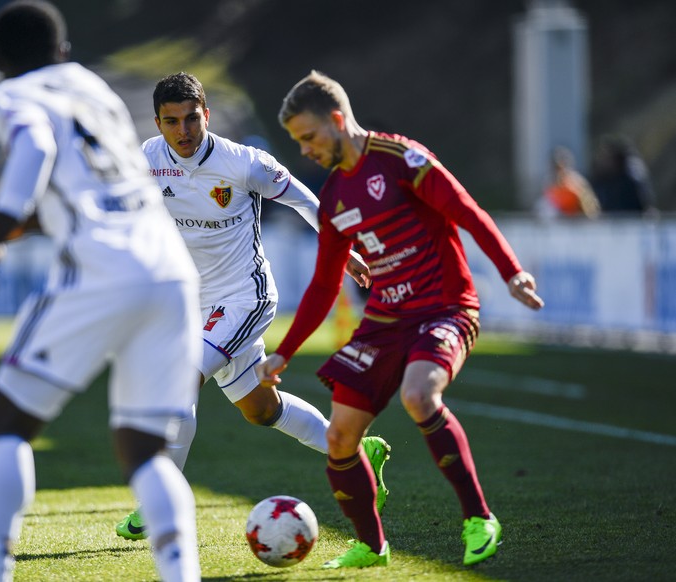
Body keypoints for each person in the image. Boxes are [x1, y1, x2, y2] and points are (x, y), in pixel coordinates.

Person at [257, 70, 545, 569]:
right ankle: (372, 545)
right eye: (297, 141)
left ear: (338, 120)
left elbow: (467, 212)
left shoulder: (401, 159)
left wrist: (512, 272)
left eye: (309, 136)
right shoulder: (334, 199)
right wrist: (286, 350)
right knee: (340, 436)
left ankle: (479, 518)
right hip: (386, 319)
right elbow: (325, 284)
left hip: (445, 306)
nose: (304, 149)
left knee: (418, 394)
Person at [0, 3, 201, 581]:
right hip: (169, 269)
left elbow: (36, 148)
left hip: (100, 269)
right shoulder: (94, 88)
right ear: (63, 50)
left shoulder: (11, 95)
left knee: (6, 427)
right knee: (144, 448)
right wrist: (27, 223)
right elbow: (103, 185)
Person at [114, 72, 391, 541]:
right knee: (261, 410)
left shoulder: (243, 162)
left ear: (207, 114)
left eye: (191, 119)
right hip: (192, 307)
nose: (183, 131)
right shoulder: (146, 159)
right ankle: (354, 452)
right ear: (157, 123)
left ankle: (158, 505)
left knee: (181, 382)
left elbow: (307, 202)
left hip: (245, 296)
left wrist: (346, 252)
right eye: (171, 121)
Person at [590, 134, 656, 215]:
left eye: (607, 157)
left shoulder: (631, 176)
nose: (604, 160)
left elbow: (643, 203)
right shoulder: (602, 178)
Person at [537, 145, 600, 219]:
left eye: (561, 166)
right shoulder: (549, 182)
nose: (559, 171)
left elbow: (590, 207)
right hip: (558, 221)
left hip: (576, 220)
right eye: (556, 167)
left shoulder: (576, 181)